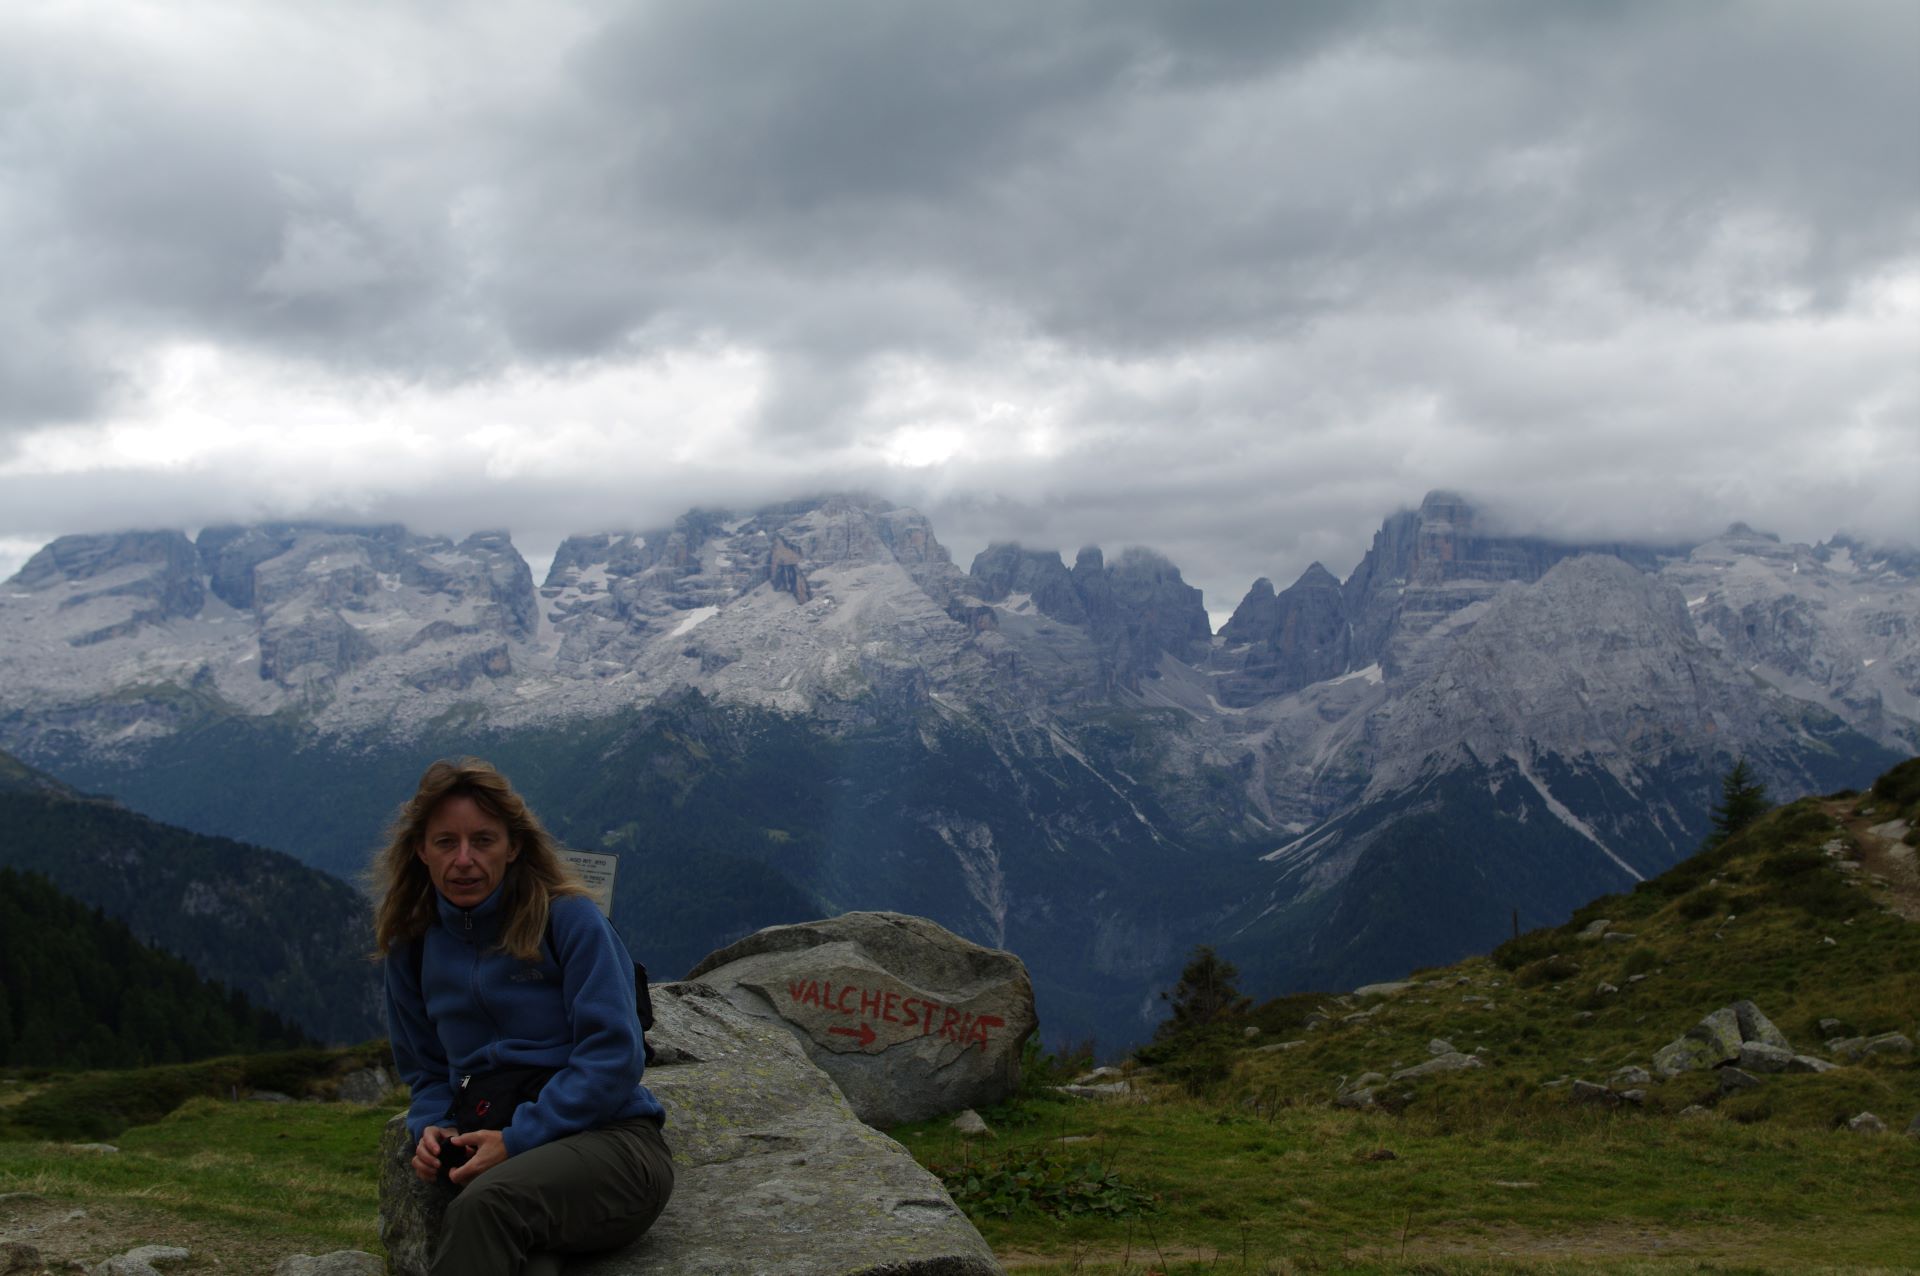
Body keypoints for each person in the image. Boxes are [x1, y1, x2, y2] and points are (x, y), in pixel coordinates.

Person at [372, 758, 673, 1276]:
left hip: (613, 1144)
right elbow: (425, 1072)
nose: (464, 860)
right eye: (446, 842)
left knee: (487, 1209)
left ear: (513, 847)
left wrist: (518, 1139)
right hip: (496, 1147)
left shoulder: (569, 920)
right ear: (421, 850)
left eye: (483, 841)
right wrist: (434, 1127)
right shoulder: (413, 947)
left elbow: (612, 1056)